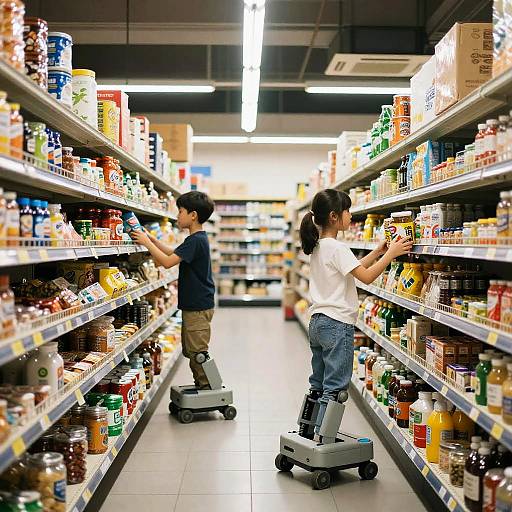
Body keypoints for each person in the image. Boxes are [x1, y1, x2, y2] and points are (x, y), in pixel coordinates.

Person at [299, 189, 412, 439]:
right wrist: (392, 255)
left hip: (317, 323)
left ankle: (306, 431)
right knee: (336, 389)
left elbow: (356, 268)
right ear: (334, 216)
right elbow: (367, 277)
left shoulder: (319, 246)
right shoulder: (337, 248)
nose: (351, 215)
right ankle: (325, 439)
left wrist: (379, 251)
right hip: (337, 326)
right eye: (348, 210)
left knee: (318, 383)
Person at [131, 191, 216, 389]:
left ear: (192, 215)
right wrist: (151, 240)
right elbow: (173, 252)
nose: (177, 215)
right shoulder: (194, 239)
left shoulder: (196, 240)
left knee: (198, 352)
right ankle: (203, 385)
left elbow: (167, 262)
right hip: (194, 305)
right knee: (191, 350)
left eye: (180, 211)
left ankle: (208, 388)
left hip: (198, 306)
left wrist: (145, 243)